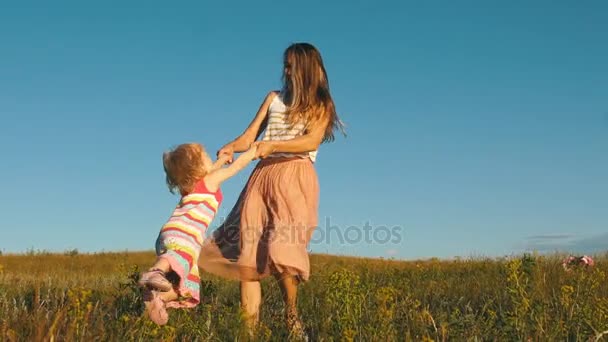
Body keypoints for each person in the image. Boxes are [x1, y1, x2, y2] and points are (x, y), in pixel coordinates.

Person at [198, 42, 344, 338]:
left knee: (283, 248)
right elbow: (250, 136)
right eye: (285, 65)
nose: (285, 70)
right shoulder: (274, 98)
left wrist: (274, 145)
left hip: (295, 176)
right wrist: (231, 146)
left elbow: (311, 142)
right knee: (249, 255)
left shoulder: (320, 103)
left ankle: (292, 317)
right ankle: (247, 331)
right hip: (262, 177)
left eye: (290, 65)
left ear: (303, 67)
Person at [139, 142, 257, 325]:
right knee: (175, 257)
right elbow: (237, 167)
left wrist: (222, 159)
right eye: (206, 156)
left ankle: (160, 298)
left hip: (172, 233)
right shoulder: (210, 181)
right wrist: (253, 151)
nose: (210, 158)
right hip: (184, 234)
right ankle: (156, 272)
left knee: (186, 285)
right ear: (198, 167)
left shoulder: (193, 185)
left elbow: (210, 172)